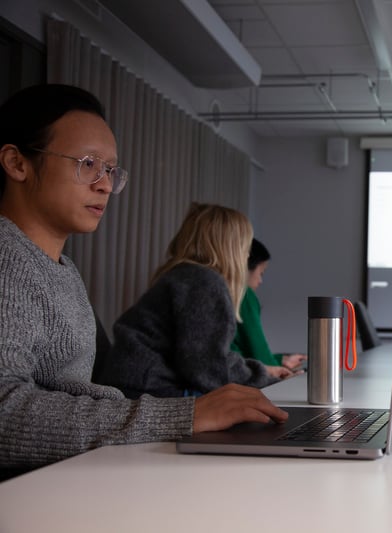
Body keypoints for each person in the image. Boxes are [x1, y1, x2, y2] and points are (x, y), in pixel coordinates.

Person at [0, 84, 287, 475]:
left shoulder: (61, 269)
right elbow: (6, 413)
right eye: (87, 163)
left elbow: (100, 380)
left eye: (110, 170)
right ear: (17, 163)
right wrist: (182, 415)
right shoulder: (7, 260)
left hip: (75, 469)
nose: (104, 184)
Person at [94, 203, 285, 397]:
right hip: (146, 390)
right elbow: (208, 369)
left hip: (132, 382)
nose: (246, 256)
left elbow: (206, 357)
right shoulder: (204, 283)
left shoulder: (185, 276)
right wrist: (265, 378)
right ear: (232, 249)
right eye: (245, 248)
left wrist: (260, 370)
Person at [231, 238, 307, 372]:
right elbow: (260, 356)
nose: (260, 281)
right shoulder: (244, 295)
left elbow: (247, 356)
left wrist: (280, 360)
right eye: (261, 273)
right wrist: (281, 371)